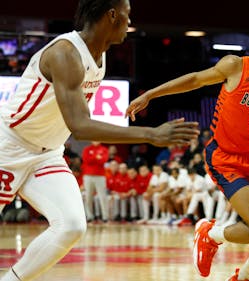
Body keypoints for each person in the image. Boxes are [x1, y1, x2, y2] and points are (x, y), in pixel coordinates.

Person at [0, 1, 199, 280]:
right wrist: (151, 134)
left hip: (46, 154)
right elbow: (80, 127)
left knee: (71, 225)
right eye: (128, 14)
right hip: (9, 145)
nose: (130, 22)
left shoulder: (100, 57)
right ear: (112, 15)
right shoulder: (65, 53)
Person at [126, 20, 249, 281]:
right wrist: (150, 94)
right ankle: (209, 234)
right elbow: (195, 80)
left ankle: (244, 278)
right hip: (225, 158)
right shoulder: (236, 66)